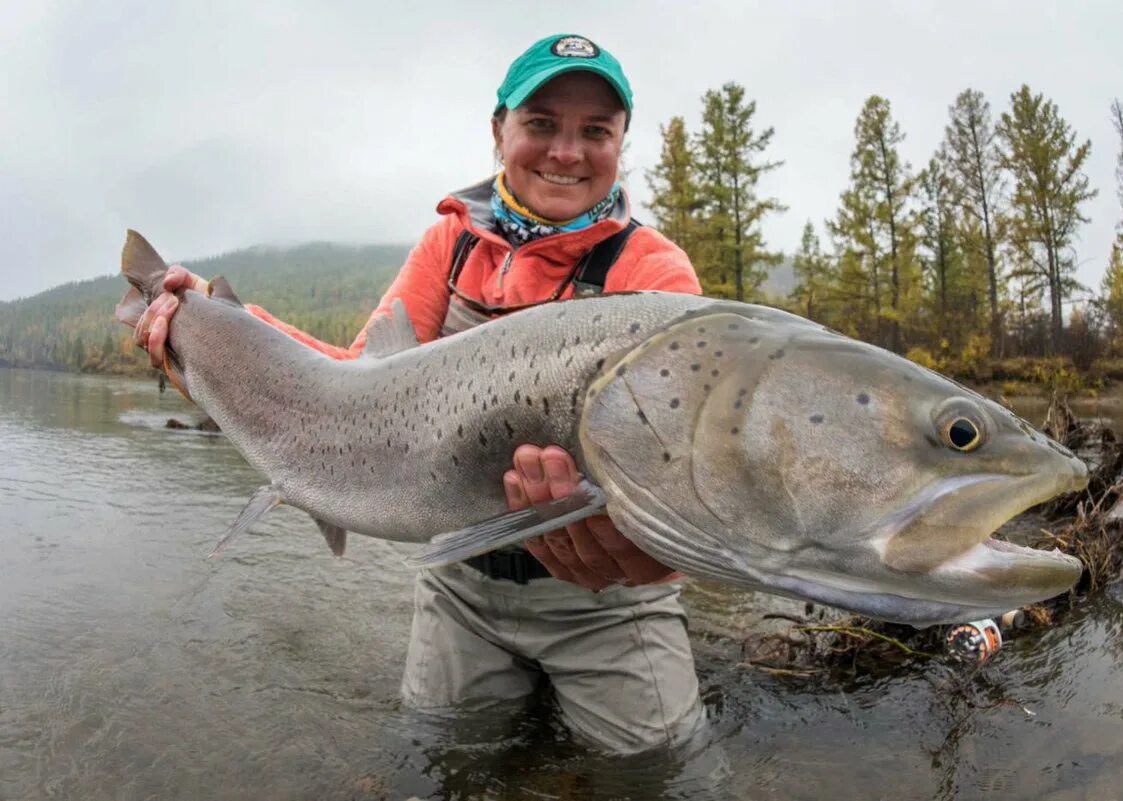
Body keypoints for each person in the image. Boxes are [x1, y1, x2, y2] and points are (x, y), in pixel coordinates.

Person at [134, 33, 705, 753]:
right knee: (444, 754)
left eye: (596, 131)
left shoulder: (653, 270)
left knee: (663, 770)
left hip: (607, 601)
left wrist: (665, 554)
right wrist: (216, 322)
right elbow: (355, 382)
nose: (567, 151)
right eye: (540, 124)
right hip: (460, 588)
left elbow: (680, 471)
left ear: (621, 143)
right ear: (499, 132)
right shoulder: (450, 244)